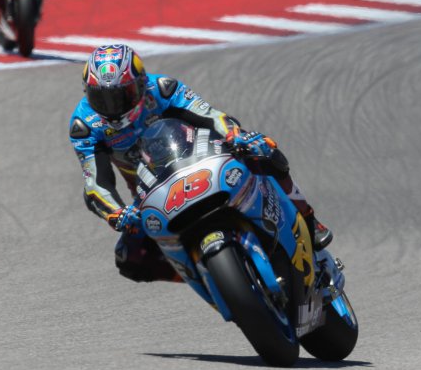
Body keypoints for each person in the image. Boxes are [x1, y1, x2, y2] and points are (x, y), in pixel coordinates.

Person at [68, 44, 333, 283]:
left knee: (262, 150)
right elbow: (95, 183)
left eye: (122, 95)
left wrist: (234, 135)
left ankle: (309, 220)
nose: (113, 107)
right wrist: (117, 213)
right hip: (150, 189)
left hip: (202, 157)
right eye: (101, 98)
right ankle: (210, 277)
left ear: (140, 84)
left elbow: (209, 115)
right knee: (130, 258)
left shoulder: (162, 89)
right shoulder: (84, 125)